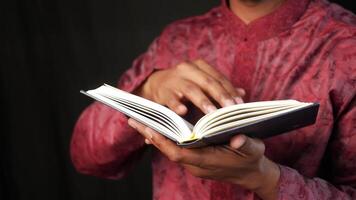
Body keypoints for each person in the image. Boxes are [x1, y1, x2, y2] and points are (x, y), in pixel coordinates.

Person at [70, 0, 356, 199]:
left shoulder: (346, 45)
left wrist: (264, 178)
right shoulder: (176, 39)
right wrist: (147, 89)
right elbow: (87, 157)